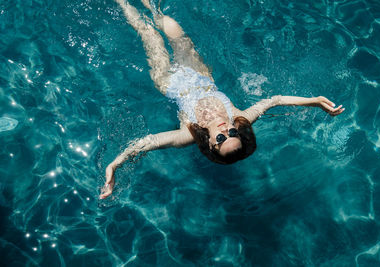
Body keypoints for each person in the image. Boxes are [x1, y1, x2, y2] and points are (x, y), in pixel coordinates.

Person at [100, 0, 345, 199]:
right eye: (233, 135)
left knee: (149, 34)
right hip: (197, 71)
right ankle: (152, 6)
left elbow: (146, 143)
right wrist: (313, 101)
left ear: (211, 145)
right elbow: (275, 100)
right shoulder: (239, 118)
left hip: (168, 80)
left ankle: (122, 2)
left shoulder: (188, 134)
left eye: (220, 138)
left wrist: (113, 165)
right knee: (172, 27)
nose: (225, 131)